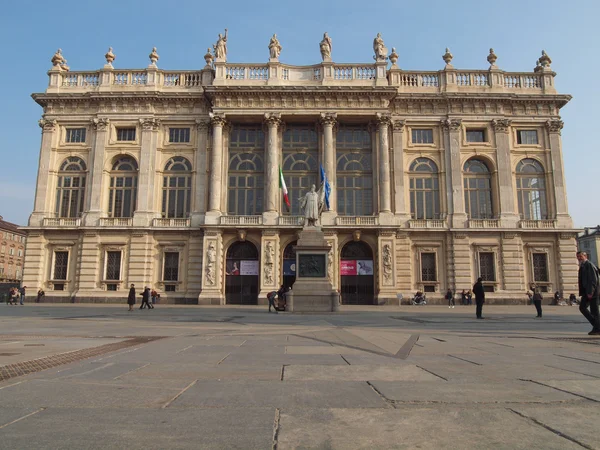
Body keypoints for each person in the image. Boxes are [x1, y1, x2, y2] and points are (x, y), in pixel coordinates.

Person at [576, 251, 600, 335]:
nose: (579, 258)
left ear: (585, 256)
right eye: (578, 257)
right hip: (588, 291)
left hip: (592, 292)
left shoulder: (589, 265)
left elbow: (593, 279)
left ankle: (597, 328)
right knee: (583, 308)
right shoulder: (583, 265)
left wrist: (590, 292)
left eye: (580, 256)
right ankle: (597, 326)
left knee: (594, 311)